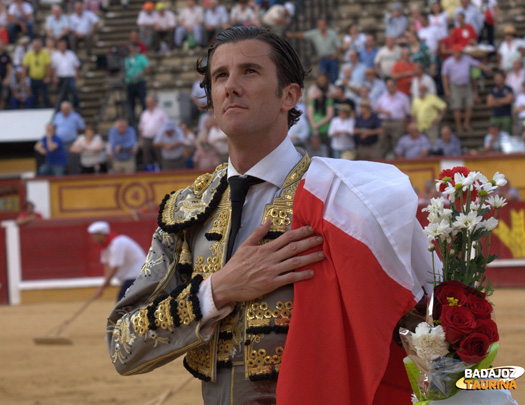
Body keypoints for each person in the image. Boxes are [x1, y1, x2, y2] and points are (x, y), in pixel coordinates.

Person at [105, 26, 434, 405]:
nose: (231, 86)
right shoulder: (187, 210)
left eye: (249, 71)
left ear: (289, 95)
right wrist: (217, 290)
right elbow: (122, 345)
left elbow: (424, 333)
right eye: (219, 76)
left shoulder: (346, 200)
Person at [87, 221, 146, 302]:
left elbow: (114, 267)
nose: (93, 238)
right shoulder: (105, 246)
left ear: (101, 234)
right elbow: (107, 265)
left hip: (137, 276)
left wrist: (102, 287)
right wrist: (106, 282)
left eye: (95, 235)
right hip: (131, 278)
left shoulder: (117, 243)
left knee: (121, 306)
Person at [441, 44, 490, 133]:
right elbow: (444, 76)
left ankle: (466, 124)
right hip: (455, 86)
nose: (459, 54)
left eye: (460, 52)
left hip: (467, 85)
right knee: (457, 107)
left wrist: (485, 68)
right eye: (457, 52)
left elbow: (477, 64)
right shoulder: (448, 62)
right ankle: (458, 126)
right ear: (454, 52)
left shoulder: (466, 59)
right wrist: (446, 89)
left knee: (469, 105)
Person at [286, 18, 341, 83]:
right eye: (319, 25)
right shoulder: (315, 33)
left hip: (332, 58)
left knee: (334, 77)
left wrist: (336, 55)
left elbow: (339, 46)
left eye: (322, 25)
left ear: (326, 25)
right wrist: (292, 35)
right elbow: (303, 34)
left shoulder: (332, 33)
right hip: (323, 59)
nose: (321, 26)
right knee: (323, 77)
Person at [375, 78, 411, 158]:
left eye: (391, 86)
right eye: (387, 86)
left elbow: (408, 113)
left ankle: (398, 160)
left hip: (398, 122)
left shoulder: (403, 97)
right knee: (383, 142)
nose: (389, 88)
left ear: (395, 86)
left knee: (397, 142)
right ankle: (382, 160)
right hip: (384, 122)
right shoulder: (383, 96)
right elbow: (376, 109)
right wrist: (384, 111)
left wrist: (406, 125)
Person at [52, 101, 85, 174]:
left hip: (72, 142)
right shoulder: (57, 116)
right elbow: (53, 127)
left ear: (70, 109)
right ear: (61, 109)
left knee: (73, 161)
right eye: (64, 109)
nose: (65, 110)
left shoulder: (76, 116)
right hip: (60, 143)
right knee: (60, 161)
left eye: (67, 109)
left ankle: (75, 176)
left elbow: (82, 127)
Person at [124, 43, 150, 126]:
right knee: (131, 105)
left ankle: (146, 121)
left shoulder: (141, 58)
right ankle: (132, 123)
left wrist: (142, 73)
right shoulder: (126, 60)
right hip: (130, 83)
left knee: (143, 103)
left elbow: (147, 69)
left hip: (140, 82)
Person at [51, 39, 81, 109]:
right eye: (61, 45)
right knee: (62, 94)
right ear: (58, 46)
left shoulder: (71, 54)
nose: (62, 47)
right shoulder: (55, 55)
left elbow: (76, 65)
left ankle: (76, 106)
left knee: (73, 91)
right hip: (60, 77)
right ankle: (62, 108)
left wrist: (77, 74)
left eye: (64, 45)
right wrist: (54, 77)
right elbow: (53, 68)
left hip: (70, 76)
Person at [138, 95, 167, 170]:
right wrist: (141, 140)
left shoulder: (161, 113)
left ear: (154, 103)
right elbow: (141, 128)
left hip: (158, 138)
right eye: (147, 102)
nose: (149, 104)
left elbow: (166, 126)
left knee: (159, 157)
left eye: (150, 102)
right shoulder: (144, 114)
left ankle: (162, 172)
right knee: (147, 158)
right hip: (147, 138)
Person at [22, 39, 52, 108]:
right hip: (33, 78)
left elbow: (48, 66)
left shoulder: (45, 54)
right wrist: (23, 77)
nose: (36, 48)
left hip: (42, 78)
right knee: (34, 95)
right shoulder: (29, 54)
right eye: (35, 46)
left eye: (37, 46)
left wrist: (48, 76)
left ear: (40, 46)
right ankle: (36, 109)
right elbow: (25, 67)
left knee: (45, 95)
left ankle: (47, 108)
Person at [487, 70, 513, 135]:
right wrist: (503, 100)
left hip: (506, 115)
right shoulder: (492, 89)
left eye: (499, 78)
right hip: (495, 115)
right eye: (496, 78)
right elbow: (490, 103)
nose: (497, 80)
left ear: (503, 79)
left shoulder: (508, 89)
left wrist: (496, 100)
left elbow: (508, 100)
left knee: (507, 131)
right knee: (492, 131)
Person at [0, 39, 12, 109]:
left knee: (4, 95)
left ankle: (2, 108)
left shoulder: (6, 56)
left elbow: (9, 68)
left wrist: (7, 78)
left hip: (4, 78)